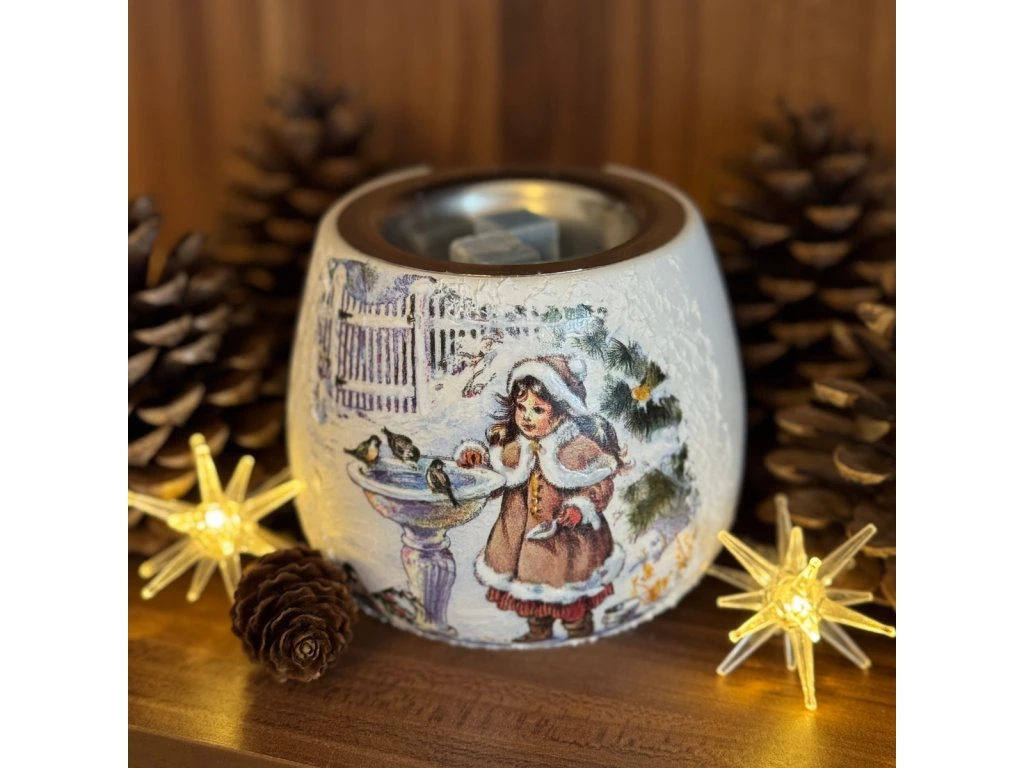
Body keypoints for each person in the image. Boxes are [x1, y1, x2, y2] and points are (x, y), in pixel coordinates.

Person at [456, 355, 625, 642]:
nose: (526, 417)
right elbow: (496, 479)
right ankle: (539, 630)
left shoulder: (578, 448)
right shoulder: (515, 446)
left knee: (567, 589)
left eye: (537, 409)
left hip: (567, 541)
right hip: (520, 541)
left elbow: (600, 484)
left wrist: (581, 507)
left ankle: (578, 631)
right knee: (528, 587)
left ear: (561, 410)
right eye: (521, 407)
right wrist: (478, 463)